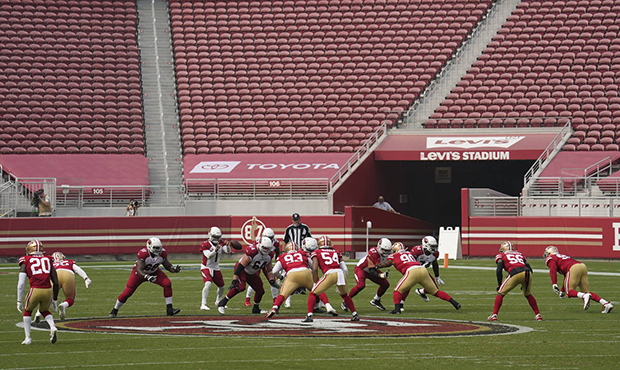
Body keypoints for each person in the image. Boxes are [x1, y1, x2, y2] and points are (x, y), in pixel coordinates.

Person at [377, 242, 461, 314]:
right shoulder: (409, 253)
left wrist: (376, 266)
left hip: (412, 272)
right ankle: (455, 303)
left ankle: (397, 309)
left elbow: (386, 264)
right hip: (422, 270)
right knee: (435, 292)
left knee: (397, 291)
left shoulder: (393, 256)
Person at [109, 237, 182, 317]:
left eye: (159, 248)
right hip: (139, 274)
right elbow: (139, 269)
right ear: (149, 247)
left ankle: (169, 309)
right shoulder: (143, 254)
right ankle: (115, 310)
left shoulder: (163, 253)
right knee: (127, 293)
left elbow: (167, 265)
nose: (158, 250)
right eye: (155, 248)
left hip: (154, 272)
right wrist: (147, 277)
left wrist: (174, 269)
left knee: (167, 283)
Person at [266, 238, 338, 318]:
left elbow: (275, 271)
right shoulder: (303, 253)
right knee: (318, 289)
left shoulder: (283, 256)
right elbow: (313, 266)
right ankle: (328, 306)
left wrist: (280, 276)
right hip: (305, 272)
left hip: (292, 274)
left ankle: (274, 307)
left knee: (283, 294)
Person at [302, 235, 359, 322]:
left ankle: (309, 315)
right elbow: (345, 268)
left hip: (329, 273)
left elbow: (314, 268)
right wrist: (341, 281)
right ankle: (355, 314)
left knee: (313, 293)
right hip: (340, 274)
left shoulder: (316, 252)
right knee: (344, 295)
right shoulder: (336, 252)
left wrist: (315, 281)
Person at [217, 236, 279, 314]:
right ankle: (222, 303)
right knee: (241, 287)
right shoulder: (253, 251)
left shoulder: (270, 254)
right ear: (260, 245)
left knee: (260, 291)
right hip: (243, 270)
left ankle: (256, 309)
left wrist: (272, 280)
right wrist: (234, 280)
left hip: (252, 272)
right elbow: (240, 266)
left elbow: (269, 270)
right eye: (264, 247)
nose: (266, 250)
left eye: (268, 248)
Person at [543, 246, 613, 313]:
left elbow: (553, 269)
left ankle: (584, 296)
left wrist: (554, 283)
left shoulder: (551, 258)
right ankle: (606, 304)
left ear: (549, 252)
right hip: (582, 266)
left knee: (569, 292)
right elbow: (567, 276)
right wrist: (562, 290)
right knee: (587, 292)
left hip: (573, 268)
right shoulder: (562, 257)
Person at [17, 240, 59, 345]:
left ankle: (28, 338)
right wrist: (54, 299)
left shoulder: (25, 260)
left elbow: (21, 283)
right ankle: (52, 326)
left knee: (28, 311)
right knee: (44, 310)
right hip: (48, 289)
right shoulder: (48, 259)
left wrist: (19, 300)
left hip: (35, 289)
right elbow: (56, 282)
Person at [488, 241, 541, 322]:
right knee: (528, 294)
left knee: (500, 293)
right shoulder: (520, 254)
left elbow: (499, 270)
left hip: (515, 272)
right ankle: (538, 315)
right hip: (527, 272)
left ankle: (494, 315)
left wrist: (499, 283)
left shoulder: (501, 255)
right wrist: (526, 282)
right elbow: (529, 267)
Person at [41, 251, 92, 321]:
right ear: (62, 257)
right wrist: (86, 278)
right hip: (68, 274)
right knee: (70, 299)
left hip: (55, 274)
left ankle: (38, 313)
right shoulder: (69, 262)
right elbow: (78, 269)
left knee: (49, 299)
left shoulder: (51, 264)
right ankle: (64, 305)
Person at [345, 238, 392, 312]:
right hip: (361, 269)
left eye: (388, 250)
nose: (386, 252)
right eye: (384, 250)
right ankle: (346, 301)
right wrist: (382, 275)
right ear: (379, 247)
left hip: (371, 270)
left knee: (385, 284)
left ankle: (376, 300)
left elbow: (386, 264)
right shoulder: (373, 252)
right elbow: (372, 271)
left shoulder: (388, 254)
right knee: (361, 286)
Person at [245, 227, 281, 307]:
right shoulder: (259, 241)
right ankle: (247, 298)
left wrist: (278, 260)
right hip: (259, 262)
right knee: (254, 280)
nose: (269, 240)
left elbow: (277, 251)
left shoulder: (275, 243)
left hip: (266, 262)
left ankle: (275, 299)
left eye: (271, 238)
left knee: (272, 281)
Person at [199, 226, 231, 310]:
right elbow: (208, 256)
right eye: (215, 237)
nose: (216, 239)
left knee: (222, 286)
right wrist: (215, 250)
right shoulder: (205, 244)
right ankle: (203, 304)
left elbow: (228, 251)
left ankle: (218, 301)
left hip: (216, 268)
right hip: (206, 267)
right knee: (208, 283)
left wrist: (227, 245)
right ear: (210, 236)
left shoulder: (221, 243)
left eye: (218, 237)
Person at [409, 236, 446, 303]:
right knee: (406, 287)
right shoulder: (417, 251)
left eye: (435, 246)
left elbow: (435, 263)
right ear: (426, 245)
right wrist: (421, 266)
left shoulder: (435, 254)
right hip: (412, 271)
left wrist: (437, 276)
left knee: (434, 288)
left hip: (423, 272)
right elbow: (410, 263)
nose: (434, 248)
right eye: (432, 246)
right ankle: (400, 304)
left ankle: (421, 291)